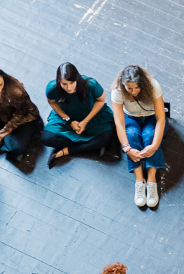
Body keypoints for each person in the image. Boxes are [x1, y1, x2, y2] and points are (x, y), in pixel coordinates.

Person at [110, 64, 167, 208]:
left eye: (137, 87)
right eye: (130, 88)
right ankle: (139, 179)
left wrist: (154, 146)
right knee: (131, 135)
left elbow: (161, 118)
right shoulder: (117, 91)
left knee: (149, 136)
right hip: (131, 117)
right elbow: (119, 122)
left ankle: (151, 178)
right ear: (123, 85)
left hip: (150, 116)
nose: (134, 92)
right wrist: (127, 148)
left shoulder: (153, 86)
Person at [41, 62, 114, 167]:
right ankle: (89, 145)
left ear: (77, 79)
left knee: (105, 137)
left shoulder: (91, 85)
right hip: (66, 117)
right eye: (64, 84)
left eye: (72, 83)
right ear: (58, 82)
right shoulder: (52, 88)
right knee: (46, 138)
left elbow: (101, 100)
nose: (69, 88)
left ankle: (67, 151)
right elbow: (52, 102)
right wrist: (69, 121)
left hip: (92, 117)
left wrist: (85, 121)